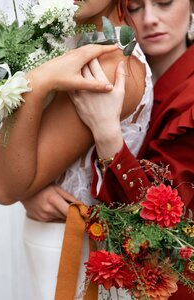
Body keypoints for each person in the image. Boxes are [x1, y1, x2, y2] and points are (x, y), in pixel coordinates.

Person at [22, 0, 194, 299]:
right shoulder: (120, 67)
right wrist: (33, 187)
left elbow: (155, 225)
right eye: (136, 7)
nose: (150, 19)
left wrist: (106, 133)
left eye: (165, 2)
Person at [0, 0, 153, 299]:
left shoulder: (106, 67)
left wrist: (36, 82)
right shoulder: (73, 42)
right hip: (57, 245)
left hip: (70, 256)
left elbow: (3, 186)